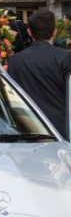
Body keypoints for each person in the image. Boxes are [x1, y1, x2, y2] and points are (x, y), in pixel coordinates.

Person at [8, 10, 71, 140]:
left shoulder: (15, 60)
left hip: (26, 129)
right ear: (55, 32)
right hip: (59, 130)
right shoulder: (65, 58)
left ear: (30, 32)